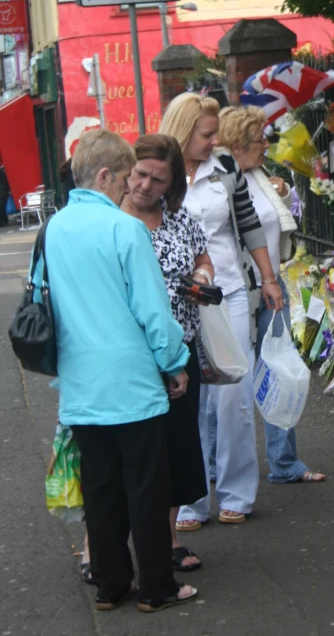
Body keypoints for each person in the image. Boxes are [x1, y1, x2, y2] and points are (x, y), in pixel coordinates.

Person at [34, 129, 197, 613]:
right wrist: (175, 363)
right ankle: (157, 588)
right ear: (105, 175)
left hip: (81, 385)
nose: (131, 188)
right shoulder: (125, 230)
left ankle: (109, 584)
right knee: (147, 488)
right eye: (126, 178)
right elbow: (151, 310)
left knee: (101, 491)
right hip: (131, 382)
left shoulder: (54, 228)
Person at [159, 92, 284, 528]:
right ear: (183, 131)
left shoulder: (227, 167)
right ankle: (192, 499)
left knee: (234, 395)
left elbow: (248, 221)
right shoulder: (160, 172)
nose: (214, 142)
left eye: (215, 134)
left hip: (227, 293)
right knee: (187, 400)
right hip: (176, 302)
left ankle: (237, 491)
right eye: (206, 134)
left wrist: (268, 279)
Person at [218, 105, 326, 484]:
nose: (266, 145)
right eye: (257, 140)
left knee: (279, 370)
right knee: (229, 378)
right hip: (234, 292)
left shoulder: (263, 176)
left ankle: (285, 463)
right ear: (234, 144)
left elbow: (278, 226)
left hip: (271, 288)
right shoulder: (219, 183)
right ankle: (220, 465)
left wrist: (283, 190)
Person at [122, 133, 212, 572]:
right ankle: (97, 543)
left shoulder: (178, 219)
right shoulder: (112, 220)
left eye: (159, 179)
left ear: (172, 182)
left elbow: (204, 257)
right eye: (140, 173)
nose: (146, 185)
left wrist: (201, 277)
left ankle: (169, 539)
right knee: (124, 450)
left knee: (175, 444)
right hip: (129, 355)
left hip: (180, 349)